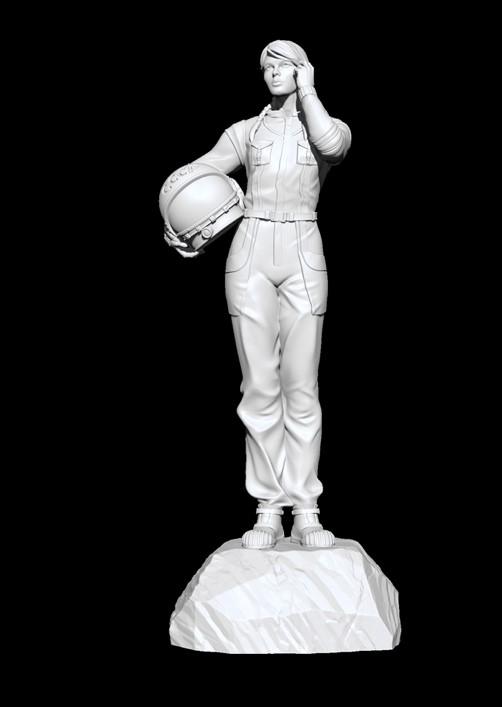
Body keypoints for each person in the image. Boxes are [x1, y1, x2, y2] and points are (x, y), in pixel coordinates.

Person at [164, 40, 352, 549]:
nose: (272, 72)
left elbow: (334, 147)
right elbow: (199, 172)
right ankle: (268, 508)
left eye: (283, 65)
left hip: (302, 247)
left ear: (302, 69)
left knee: (301, 385)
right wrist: (178, 221)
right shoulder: (245, 131)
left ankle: (306, 508)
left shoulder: (325, 127)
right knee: (259, 385)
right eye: (267, 66)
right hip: (250, 249)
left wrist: (309, 92)